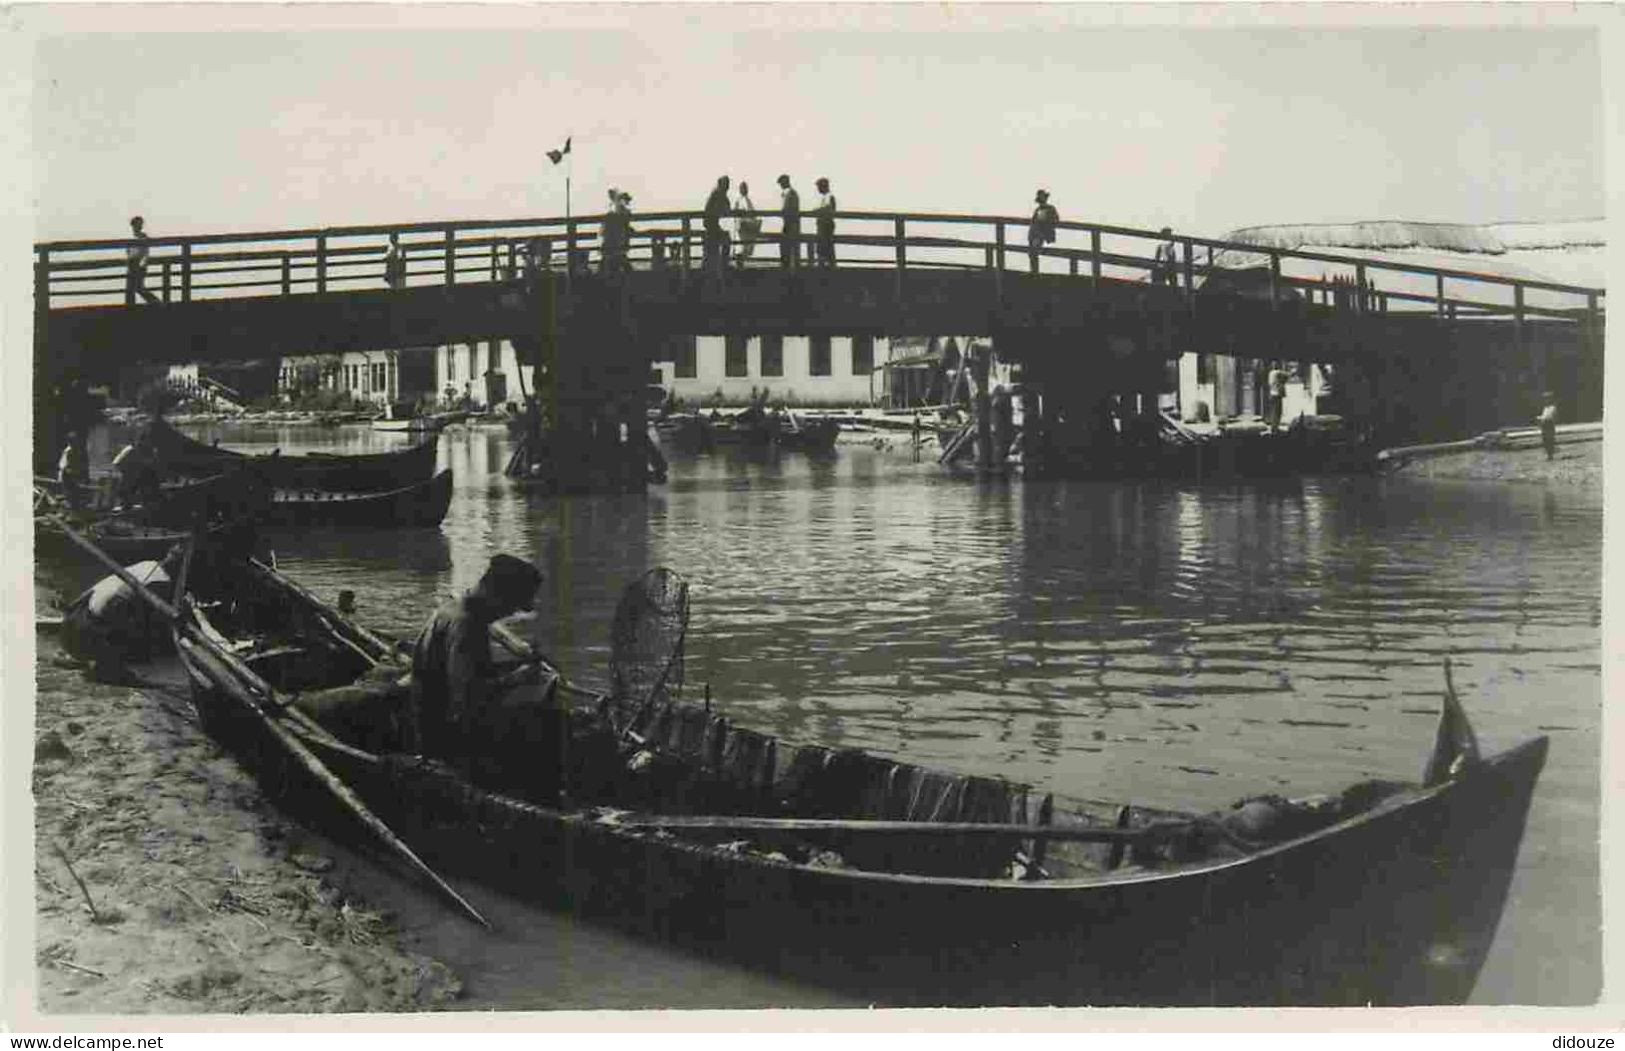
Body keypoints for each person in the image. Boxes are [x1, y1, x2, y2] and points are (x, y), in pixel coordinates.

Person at [408, 554, 551, 775]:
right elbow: (468, 695)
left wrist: (513, 669)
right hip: (445, 742)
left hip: (429, 724)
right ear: (497, 594)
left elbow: (467, 673)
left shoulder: (453, 609)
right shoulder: (468, 626)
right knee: (545, 729)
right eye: (513, 605)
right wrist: (517, 678)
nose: (511, 613)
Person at [62, 547, 184, 684]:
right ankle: (106, 665)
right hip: (87, 628)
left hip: (74, 619)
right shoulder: (162, 581)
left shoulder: (148, 564)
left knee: (131, 616)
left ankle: (92, 655)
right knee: (136, 623)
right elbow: (131, 612)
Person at [703, 175, 732, 278]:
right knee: (725, 240)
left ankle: (716, 265)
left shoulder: (718, 192)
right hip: (711, 224)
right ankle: (722, 264)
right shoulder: (718, 193)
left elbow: (727, 206)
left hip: (711, 223)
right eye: (726, 184)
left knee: (714, 246)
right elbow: (726, 208)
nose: (728, 186)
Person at [126, 216, 159, 305]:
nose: (138, 226)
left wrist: (143, 263)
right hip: (132, 263)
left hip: (139, 263)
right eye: (136, 225)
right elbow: (129, 252)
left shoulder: (143, 237)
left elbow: (145, 252)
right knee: (131, 288)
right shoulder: (132, 238)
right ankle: (130, 306)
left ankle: (155, 302)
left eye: (139, 224)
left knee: (138, 287)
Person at [1027, 190, 1058, 274]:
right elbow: (1033, 222)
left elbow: (1055, 221)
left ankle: (1034, 271)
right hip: (1035, 233)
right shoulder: (1038, 209)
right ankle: (1034, 270)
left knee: (1034, 250)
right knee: (1032, 251)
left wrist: (1046, 228)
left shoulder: (1051, 208)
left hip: (1043, 233)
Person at [57, 431, 88, 509]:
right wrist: (69, 470)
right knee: (70, 492)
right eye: (73, 441)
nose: (75, 442)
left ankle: (74, 506)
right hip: (67, 475)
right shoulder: (68, 451)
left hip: (73, 475)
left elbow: (78, 463)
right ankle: (71, 507)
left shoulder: (76, 450)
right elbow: (63, 465)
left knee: (75, 492)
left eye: (76, 440)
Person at [776, 174, 801, 271]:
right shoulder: (787, 193)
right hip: (788, 223)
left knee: (790, 247)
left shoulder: (791, 193)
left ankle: (790, 268)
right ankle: (787, 267)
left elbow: (790, 209)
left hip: (791, 224)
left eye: (781, 183)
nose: (781, 185)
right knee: (786, 246)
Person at [734, 181, 761, 267]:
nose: (745, 190)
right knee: (741, 247)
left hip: (743, 226)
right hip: (742, 226)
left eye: (745, 188)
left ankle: (740, 265)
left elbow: (750, 213)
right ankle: (739, 265)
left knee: (742, 247)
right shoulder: (741, 200)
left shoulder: (744, 200)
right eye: (743, 188)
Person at [813, 177, 837, 269]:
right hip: (822, 225)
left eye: (819, 186)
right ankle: (824, 264)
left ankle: (828, 265)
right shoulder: (825, 197)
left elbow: (828, 209)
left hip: (826, 225)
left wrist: (817, 211)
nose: (818, 189)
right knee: (823, 246)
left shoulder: (829, 196)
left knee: (826, 245)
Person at [1266, 362, 1290, 428]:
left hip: (1271, 393)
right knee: (1278, 411)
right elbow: (1287, 375)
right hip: (1277, 394)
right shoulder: (1278, 372)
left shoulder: (1270, 373)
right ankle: (1275, 426)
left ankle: (1273, 425)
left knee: (1273, 411)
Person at [1537, 391, 1559, 460]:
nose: (1546, 401)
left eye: (1547, 399)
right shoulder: (1545, 408)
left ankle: (1550, 455)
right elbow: (1544, 416)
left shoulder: (1553, 408)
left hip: (1549, 424)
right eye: (1545, 399)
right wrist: (1540, 418)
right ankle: (1548, 454)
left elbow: (1549, 417)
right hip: (1544, 425)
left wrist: (1541, 418)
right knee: (1545, 440)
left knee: (1550, 439)